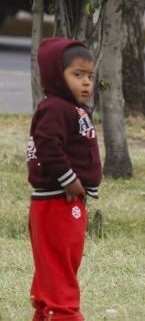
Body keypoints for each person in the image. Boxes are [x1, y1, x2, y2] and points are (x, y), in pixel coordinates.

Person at [27, 38, 101, 321]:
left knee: (56, 263)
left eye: (90, 76)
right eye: (77, 75)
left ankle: (45, 312)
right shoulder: (56, 108)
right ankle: (64, 314)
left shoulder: (69, 107)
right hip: (58, 200)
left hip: (60, 202)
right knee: (60, 264)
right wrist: (69, 180)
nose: (86, 83)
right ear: (58, 76)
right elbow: (47, 145)